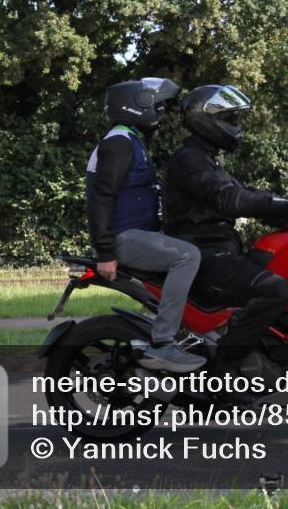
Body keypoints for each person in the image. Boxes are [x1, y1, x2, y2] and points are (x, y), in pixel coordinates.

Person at [163, 85, 288, 371]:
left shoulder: (206, 158)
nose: (236, 127)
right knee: (275, 290)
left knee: (282, 271)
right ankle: (225, 366)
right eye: (230, 120)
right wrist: (282, 203)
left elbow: (243, 193)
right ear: (206, 119)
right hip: (204, 256)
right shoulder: (189, 160)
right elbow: (230, 199)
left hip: (218, 251)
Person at [86, 77, 206, 372]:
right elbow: (101, 197)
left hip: (136, 234)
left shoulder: (126, 139)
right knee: (187, 256)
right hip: (124, 239)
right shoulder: (119, 143)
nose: (162, 112)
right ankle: (164, 342)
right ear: (138, 105)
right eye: (158, 105)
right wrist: (105, 252)